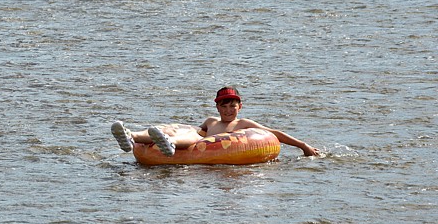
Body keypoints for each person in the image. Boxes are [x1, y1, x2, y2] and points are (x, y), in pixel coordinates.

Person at [111, 86, 320, 157]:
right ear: (217, 107)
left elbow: (275, 133)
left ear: (239, 107)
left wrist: (303, 146)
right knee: (188, 134)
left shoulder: (243, 124)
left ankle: (170, 144)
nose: (228, 110)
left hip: (212, 148)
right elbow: (197, 131)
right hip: (200, 138)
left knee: (192, 140)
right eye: (224, 106)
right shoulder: (211, 121)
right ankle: (132, 136)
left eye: (232, 106)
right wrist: (176, 131)